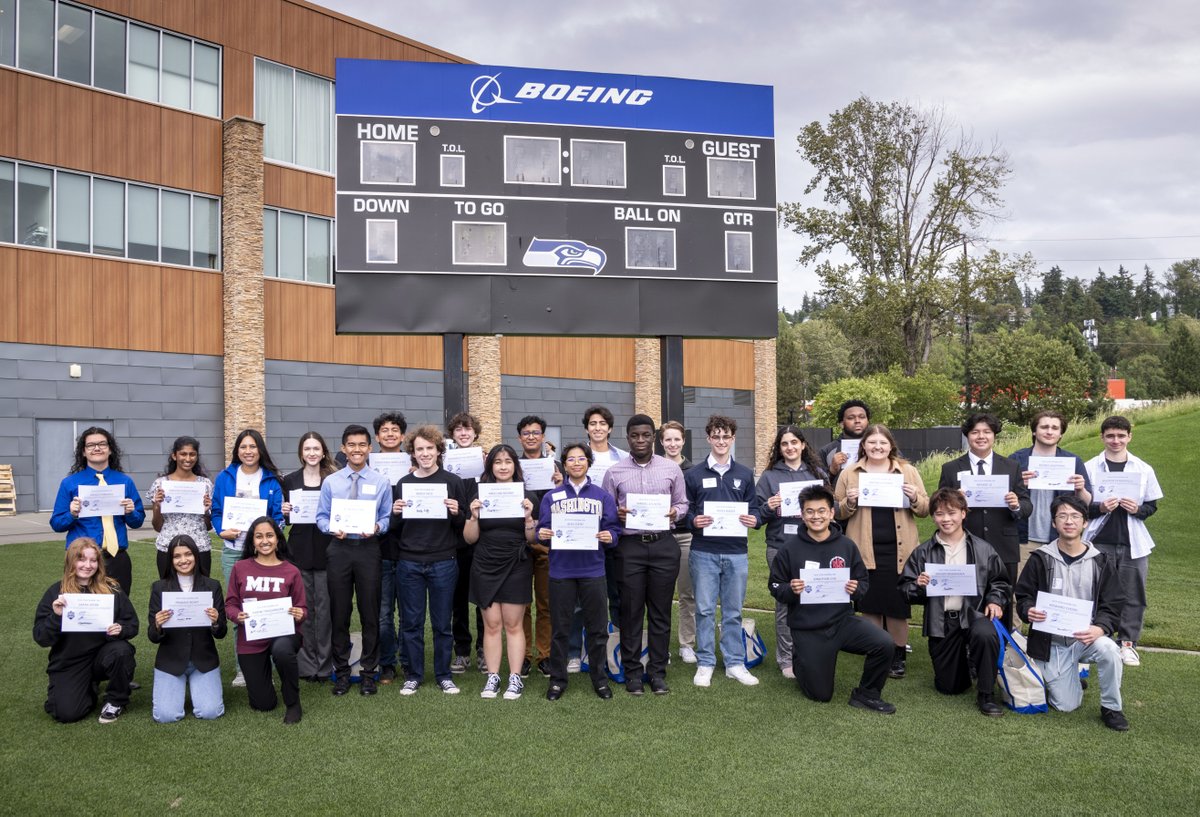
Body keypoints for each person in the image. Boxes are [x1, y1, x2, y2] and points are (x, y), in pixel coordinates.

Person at [768, 486, 896, 714]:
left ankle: (867, 694)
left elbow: (862, 581)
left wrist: (855, 589)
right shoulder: (789, 549)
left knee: (885, 643)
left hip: (842, 622)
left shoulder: (846, 545)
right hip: (808, 627)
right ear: (802, 515)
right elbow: (775, 586)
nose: (816, 516)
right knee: (821, 694)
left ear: (831, 513)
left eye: (821, 511)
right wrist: (791, 589)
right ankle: (801, 659)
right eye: (809, 511)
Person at [1015, 495, 1129, 731]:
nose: (1069, 521)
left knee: (1109, 649)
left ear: (1085, 522)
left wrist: (1101, 628)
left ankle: (1111, 708)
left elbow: (1114, 602)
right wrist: (1028, 611)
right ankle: (1071, 679)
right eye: (1062, 516)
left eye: (1075, 516)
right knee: (1066, 705)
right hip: (1052, 643)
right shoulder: (1040, 558)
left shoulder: (1100, 561)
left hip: (1086, 638)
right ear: (1054, 523)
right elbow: (1023, 596)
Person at [899, 488, 1009, 716]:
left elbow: (1000, 581)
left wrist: (995, 601)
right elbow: (904, 589)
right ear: (933, 517)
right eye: (939, 514)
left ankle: (986, 694)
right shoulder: (923, 552)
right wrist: (918, 585)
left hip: (974, 614)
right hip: (943, 622)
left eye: (952, 513)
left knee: (985, 635)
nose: (946, 519)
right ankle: (967, 663)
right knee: (950, 687)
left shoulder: (983, 549)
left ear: (963, 513)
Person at [834, 423, 929, 679]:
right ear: (863, 445)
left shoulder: (907, 471)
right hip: (864, 549)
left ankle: (898, 655)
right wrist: (849, 502)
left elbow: (925, 509)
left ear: (891, 445)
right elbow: (837, 512)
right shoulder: (850, 473)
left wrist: (914, 497)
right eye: (872, 442)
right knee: (871, 606)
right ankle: (877, 651)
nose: (877, 447)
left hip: (900, 551)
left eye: (883, 443)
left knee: (897, 607)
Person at [602, 415, 689, 695]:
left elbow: (683, 503)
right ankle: (632, 673)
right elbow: (606, 512)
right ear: (627, 437)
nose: (640, 440)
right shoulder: (614, 472)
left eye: (645, 435)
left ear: (654, 437)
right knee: (631, 612)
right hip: (630, 547)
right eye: (635, 435)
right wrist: (616, 513)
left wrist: (676, 512)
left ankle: (657, 672)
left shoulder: (671, 469)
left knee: (661, 612)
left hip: (663, 545)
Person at [683, 415, 762, 688]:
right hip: (703, 551)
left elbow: (754, 508)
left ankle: (734, 663)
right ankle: (705, 662)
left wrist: (754, 519)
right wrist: (693, 521)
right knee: (704, 610)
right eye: (715, 436)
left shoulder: (744, 473)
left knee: (733, 611)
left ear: (732, 439)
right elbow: (685, 511)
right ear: (708, 438)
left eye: (725, 436)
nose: (720, 441)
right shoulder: (693, 474)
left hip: (736, 552)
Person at [390, 425, 470, 695]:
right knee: (411, 623)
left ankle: (443, 675)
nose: (425, 453)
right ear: (412, 452)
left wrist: (457, 512)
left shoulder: (452, 482)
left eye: (429, 448)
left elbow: (463, 526)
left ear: (438, 450)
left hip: (443, 560)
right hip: (409, 562)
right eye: (419, 449)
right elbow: (395, 528)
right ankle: (413, 675)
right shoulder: (404, 483)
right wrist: (395, 513)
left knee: (442, 623)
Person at [538, 443, 621, 701]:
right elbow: (543, 530)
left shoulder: (601, 496)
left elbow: (614, 529)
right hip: (561, 571)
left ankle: (599, 679)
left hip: (593, 570)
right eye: (571, 459)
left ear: (588, 463)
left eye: (581, 458)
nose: (576, 463)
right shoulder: (551, 497)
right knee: (560, 629)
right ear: (564, 464)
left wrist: (610, 536)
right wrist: (542, 534)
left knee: (597, 629)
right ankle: (557, 680)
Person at [316, 424, 393, 697]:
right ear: (343, 448)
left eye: (362, 445)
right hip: (339, 548)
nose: (357, 449)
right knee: (340, 613)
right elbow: (321, 516)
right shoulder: (331, 482)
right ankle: (342, 673)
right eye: (351, 445)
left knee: (370, 612)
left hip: (368, 549)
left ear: (370, 448)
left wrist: (378, 527)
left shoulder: (381, 482)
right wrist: (330, 528)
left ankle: (369, 672)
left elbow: (386, 517)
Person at [938, 412, 1032, 629]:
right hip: (965, 543)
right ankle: (966, 644)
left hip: (1003, 545)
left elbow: (1027, 506)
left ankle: (1001, 645)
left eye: (987, 432)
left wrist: (1015, 504)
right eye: (975, 432)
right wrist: (953, 500)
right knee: (966, 599)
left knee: (1002, 600)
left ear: (994, 435)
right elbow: (939, 507)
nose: (981, 436)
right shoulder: (951, 468)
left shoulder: (1011, 466)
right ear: (967, 436)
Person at [1083, 415, 1163, 668]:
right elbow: (1079, 507)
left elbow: (1151, 506)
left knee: (1133, 594)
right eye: (1110, 436)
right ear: (1102, 437)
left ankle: (1128, 644)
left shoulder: (1143, 468)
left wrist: (1137, 509)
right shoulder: (1089, 467)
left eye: (1120, 435)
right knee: (1093, 592)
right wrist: (1099, 508)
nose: (1115, 440)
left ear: (1129, 436)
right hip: (1098, 541)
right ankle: (1094, 640)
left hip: (1133, 543)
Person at [34, 538, 139, 724]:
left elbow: (132, 624)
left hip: (103, 656)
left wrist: (121, 629)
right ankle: (88, 688)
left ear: (99, 563)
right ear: (71, 561)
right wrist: (56, 616)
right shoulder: (56, 592)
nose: (88, 565)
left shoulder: (111, 589)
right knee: (67, 714)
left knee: (122, 651)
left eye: (93, 560)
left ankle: (116, 700)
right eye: (81, 559)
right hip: (70, 661)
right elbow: (41, 637)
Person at [210, 428, 284, 687]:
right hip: (234, 551)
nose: (248, 451)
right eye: (243, 447)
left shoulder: (271, 479)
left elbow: (278, 517)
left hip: (266, 554)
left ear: (260, 450)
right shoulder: (225, 477)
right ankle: (244, 668)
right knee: (239, 611)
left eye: (253, 446)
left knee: (267, 609)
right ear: (237, 451)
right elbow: (216, 511)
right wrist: (222, 530)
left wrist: (269, 536)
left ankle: (268, 668)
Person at [465, 444, 539, 700]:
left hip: (516, 564)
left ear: (515, 466)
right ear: (490, 466)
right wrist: (474, 516)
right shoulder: (478, 495)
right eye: (498, 462)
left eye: (508, 461)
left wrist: (528, 519)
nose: (503, 466)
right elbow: (469, 538)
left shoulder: (527, 496)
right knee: (492, 624)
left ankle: (515, 678)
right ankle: (493, 677)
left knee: (513, 624)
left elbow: (532, 539)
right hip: (485, 563)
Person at [755, 425, 829, 679]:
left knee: (814, 599)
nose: (790, 447)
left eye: (794, 442)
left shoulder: (817, 474)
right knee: (785, 603)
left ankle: (810, 652)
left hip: (814, 547)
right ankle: (786, 658)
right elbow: (756, 517)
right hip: (780, 548)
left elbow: (829, 509)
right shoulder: (769, 477)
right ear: (779, 448)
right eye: (785, 443)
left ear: (803, 445)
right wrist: (769, 506)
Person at [225, 516, 307, 724]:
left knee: (282, 650)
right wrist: (237, 616)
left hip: (284, 634)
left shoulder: (291, 570)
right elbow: (231, 604)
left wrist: (300, 613)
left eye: (269, 535)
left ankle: (293, 702)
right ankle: (265, 681)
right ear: (252, 541)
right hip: (251, 637)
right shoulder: (240, 568)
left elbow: (303, 608)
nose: (265, 541)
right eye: (259, 536)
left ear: (278, 539)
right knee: (263, 703)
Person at [50, 427, 146, 597]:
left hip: (116, 558)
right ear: (83, 452)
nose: (97, 448)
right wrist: (71, 514)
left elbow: (137, 522)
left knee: (119, 606)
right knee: (83, 607)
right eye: (91, 445)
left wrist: (131, 512)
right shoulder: (69, 483)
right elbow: (57, 524)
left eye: (102, 444)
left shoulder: (124, 481)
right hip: (81, 559)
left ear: (110, 449)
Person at [147, 535, 226, 722]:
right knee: (165, 716)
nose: (183, 560)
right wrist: (157, 625)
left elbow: (221, 633)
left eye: (188, 554)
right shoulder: (159, 588)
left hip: (203, 659)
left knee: (210, 712)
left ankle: (198, 686)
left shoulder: (212, 586)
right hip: (171, 659)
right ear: (170, 560)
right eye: (177, 556)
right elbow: (152, 636)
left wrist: (216, 621)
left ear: (196, 556)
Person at [280, 431, 337, 683]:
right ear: (301, 453)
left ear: (323, 452)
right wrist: (284, 511)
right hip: (299, 551)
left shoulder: (333, 479)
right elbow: (285, 520)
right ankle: (306, 665)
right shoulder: (289, 481)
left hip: (328, 550)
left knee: (325, 611)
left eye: (316, 448)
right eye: (307, 449)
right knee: (303, 610)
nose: (312, 453)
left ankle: (325, 665)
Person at [1010, 410, 1093, 575]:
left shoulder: (1073, 461)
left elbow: (1087, 502)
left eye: (1055, 428)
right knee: (1022, 588)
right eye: (1044, 427)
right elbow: (1004, 497)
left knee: (1058, 587)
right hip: (1023, 540)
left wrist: (1080, 489)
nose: (1049, 431)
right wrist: (1018, 484)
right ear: (1034, 431)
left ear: (1061, 434)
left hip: (1059, 539)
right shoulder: (1017, 459)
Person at [517, 415, 564, 677]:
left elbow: (567, 500)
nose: (531, 437)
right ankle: (523, 655)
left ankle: (545, 655)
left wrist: (560, 485)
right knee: (521, 603)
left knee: (547, 603)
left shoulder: (557, 467)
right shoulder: (512, 466)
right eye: (526, 433)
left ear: (543, 437)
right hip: (520, 542)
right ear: (519, 438)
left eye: (536, 433)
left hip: (548, 540)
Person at [447, 411, 486, 675]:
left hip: (482, 541)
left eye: (468, 429)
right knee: (458, 599)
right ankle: (462, 651)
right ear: (452, 434)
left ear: (475, 433)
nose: (463, 433)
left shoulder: (487, 462)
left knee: (483, 598)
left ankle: (484, 648)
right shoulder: (445, 464)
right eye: (458, 429)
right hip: (454, 540)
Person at [373, 411, 409, 685]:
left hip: (409, 549)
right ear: (377, 437)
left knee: (409, 614)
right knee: (383, 614)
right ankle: (387, 663)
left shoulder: (415, 465)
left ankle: (408, 661)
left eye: (395, 430)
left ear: (403, 436)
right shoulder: (368, 469)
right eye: (384, 430)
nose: (389, 434)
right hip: (380, 550)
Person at [583, 405, 628, 626]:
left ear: (610, 428)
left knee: (616, 588)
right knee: (585, 589)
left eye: (602, 423)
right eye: (593, 423)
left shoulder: (624, 458)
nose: (597, 428)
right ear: (586, 428)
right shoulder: (577, 455)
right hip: (584, 527)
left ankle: (618, 635)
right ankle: (586, 637)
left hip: (614, 526)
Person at [147, 436, 214, 579]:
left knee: (202, 589)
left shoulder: (205, 484)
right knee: (168, 589)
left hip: (199, 546)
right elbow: (157, 527)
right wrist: (158, 506)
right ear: (174, 456)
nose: (188, 458)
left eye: (192, 454)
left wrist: (207, 511)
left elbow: (208, 526)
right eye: (183, 454)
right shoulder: (160, 484)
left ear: (197, 456)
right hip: (168, 547)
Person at [659, 420, 697, 664]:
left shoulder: (694, 470)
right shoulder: (654, 466)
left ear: (683, 441)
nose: (672, 444)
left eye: (676, 439)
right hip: (661, 536)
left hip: (686, 537)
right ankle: (660, 645)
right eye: (668, 439)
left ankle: (687, 643)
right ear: (661, 442)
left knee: (687, 593)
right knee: (659, 594)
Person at [817, 400, 871, 484]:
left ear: (868, 421)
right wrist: (832, 471)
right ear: (842, 424)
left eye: (862, 417)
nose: (857, 421)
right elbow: (817, 485)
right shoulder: (827, 451)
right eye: (851, 418)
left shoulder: (880, 448)